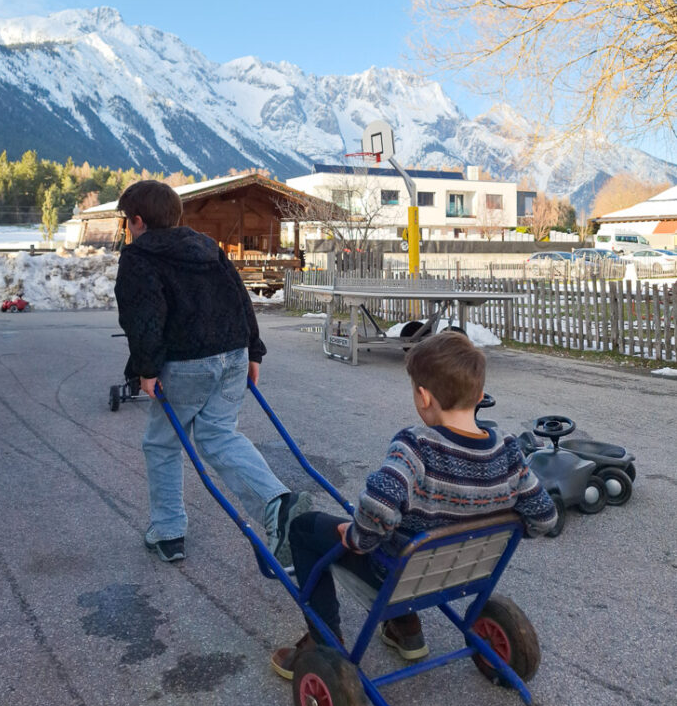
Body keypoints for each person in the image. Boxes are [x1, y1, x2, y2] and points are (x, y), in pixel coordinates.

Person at [271, 331, 557, 678]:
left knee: (305, 529)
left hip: (397, 572)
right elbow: (544, 517)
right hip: (466, 572)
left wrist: (356, 537)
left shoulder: (416, 448)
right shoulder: (509, 451)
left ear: (423, 397)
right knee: (400, 530)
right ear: (480, 395)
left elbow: (377, 510)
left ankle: (324, 642)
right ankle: (405, 629)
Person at [114, 180, 310, 565]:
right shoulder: (206, 247)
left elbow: (144, 316)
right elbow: (239, 298)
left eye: (126, 221)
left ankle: (169, 532)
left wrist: (146, 368)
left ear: (137, 221)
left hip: (187, 361)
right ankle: (278, 505)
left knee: (163, 443)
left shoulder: (140, 257)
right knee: (219, 435)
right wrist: (253, 349)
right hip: (233, 354)